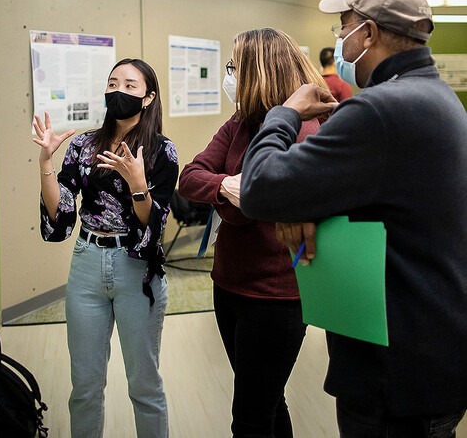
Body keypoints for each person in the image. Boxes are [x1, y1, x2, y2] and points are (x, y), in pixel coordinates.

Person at [239, 0, 467, 438]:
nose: (340, 40)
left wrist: (285, 112)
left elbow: (259, 187)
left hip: (393, 374)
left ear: (370, 33)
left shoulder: (381, 110)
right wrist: (307, 203)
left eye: (343, 28)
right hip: (436, 356)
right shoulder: (439, 98)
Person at [178, 28, 328, 438]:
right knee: (267, 402)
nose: (229, 75)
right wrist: (225, 185)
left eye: (233, 67)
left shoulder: (305, 132)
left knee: (249, 417)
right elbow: (190, 177)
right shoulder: (240, 122)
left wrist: (241, 194)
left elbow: (261, 206)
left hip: (278, 297)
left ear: (258, 71)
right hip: (230, 285)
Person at [33, 58, 178, 438]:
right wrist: (46, 163)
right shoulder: (84, 145)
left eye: (130, 86)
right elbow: (61, 213)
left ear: (148, 98)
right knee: (84, 387)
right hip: (86, 266)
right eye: (113, 83)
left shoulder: (161, 152)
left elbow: (155, 224)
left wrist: (136, 182)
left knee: (144, 386)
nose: (118, 91)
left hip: (136, 270)